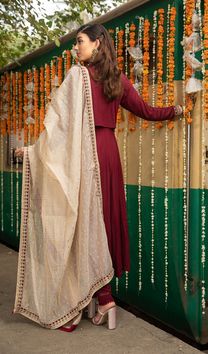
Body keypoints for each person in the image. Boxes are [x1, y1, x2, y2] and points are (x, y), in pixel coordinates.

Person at [15, 23, 182, 332]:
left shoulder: (76, 77)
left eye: (79, 42)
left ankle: (96, 301)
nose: (75, 48)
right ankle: (104, 299)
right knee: (101, 222)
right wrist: (177, 110)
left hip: (83, 154)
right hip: (107, 153)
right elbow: (146, 110)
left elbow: (59, 128)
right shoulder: (118, 81)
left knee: (80, 224)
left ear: (97, 44)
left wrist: (35, 151)